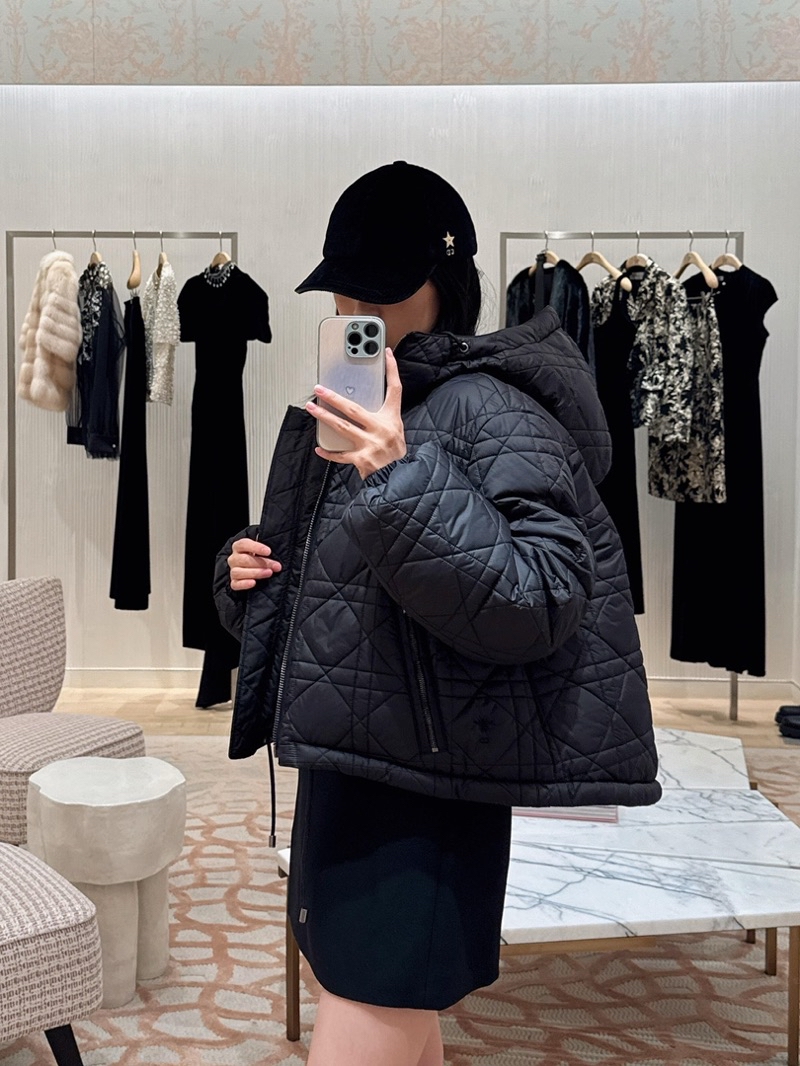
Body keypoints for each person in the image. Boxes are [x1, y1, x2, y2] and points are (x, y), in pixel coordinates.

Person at [214, 161, 661, 1066]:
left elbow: (541, 599)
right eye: (345, 288)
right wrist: (245, 576)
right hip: (350, 768)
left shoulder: (492, 409)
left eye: (379, 288)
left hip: (427, 794)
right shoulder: (354, 413)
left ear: (444, 283)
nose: (355, 307)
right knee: (381, 1008)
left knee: (371, 1005)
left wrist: (397, 475)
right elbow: (328, 610)